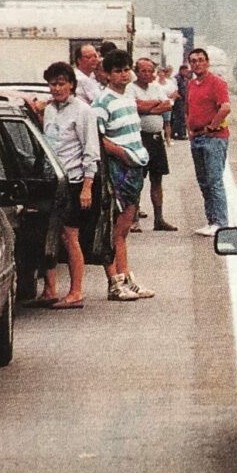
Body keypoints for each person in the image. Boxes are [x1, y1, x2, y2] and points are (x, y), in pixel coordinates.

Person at [92, 49, 155, 301]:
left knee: (125, 227)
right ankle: (114, 282)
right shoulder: (102, 102)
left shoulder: (128, 98)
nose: (123, 74)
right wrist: (122, 154)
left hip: (135, 168)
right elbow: (98, 138)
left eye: (126, 69)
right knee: (113, 227)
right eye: (117, 71)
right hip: (117, 169)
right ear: (107, 74)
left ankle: (127, 277)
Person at [39, 61, 99, 308]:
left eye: (61, 84)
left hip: (74, 181)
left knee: (69, 236)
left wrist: (87, 187)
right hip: (52, 180)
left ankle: (76, 291)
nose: (56, 88)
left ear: (72, 85)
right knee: (49, 234)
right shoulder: (49, 110)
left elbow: (91, 151)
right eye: (52, 84)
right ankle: (50, 290)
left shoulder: (83, 111)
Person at [185, 48, 231, 236]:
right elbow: (188, 108)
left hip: (213, 138)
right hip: (196, 137)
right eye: (193, 61)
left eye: (200, 60)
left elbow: (225, 107)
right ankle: (211, 220)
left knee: (214, 180)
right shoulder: (191, 84)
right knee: (203, 181)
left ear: (207, 62)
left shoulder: (216, 83)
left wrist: (212, 126)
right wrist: (189, 129)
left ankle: (221, 222)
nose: (197, 64)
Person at [130, 57, 178, 231]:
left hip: (156, 139)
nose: (147, 74)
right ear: (136, 72)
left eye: (150, 71)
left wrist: (148, 107)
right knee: (137, 180)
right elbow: (136, 107)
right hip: (139, 138)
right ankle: (133, 219)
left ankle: (159, 219)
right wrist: (154, 105)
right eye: (143, 70)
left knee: (157, 179)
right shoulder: (130, 88)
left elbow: (168, 105)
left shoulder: (156, 87)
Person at [73, 42, 102, 107]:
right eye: (89, 57)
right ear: (79, 60)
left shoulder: (92, 75)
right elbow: (97, 100)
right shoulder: (78, 78)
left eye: (95, 56)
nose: (94, 59)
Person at [170, 63, 191, 139]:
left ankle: (180, 133)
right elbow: (174, 89)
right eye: (185, 71)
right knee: (180, 117)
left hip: (184, 100)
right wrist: (179, 96)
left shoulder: (185, 79)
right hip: (179, 101)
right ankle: (179, 134)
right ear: (181, 70)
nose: (186, 73)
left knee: (182, 117)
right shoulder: (177, 78)